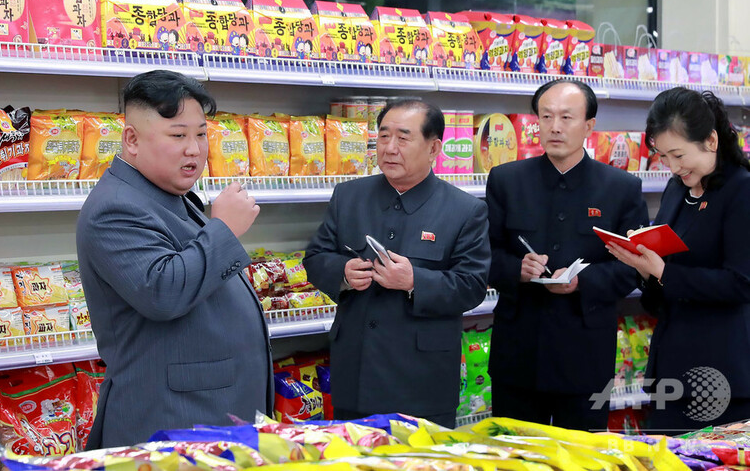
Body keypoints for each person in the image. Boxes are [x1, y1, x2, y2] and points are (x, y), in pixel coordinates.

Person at [76, 70, 272, 448]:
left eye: (201, 134)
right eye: (178, 136)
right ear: (132, 139)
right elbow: (163, 292)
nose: (194, 149)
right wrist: (224, 229)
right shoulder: (114, 208)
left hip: (210, 413)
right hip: (173, 420)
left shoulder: (168, 194)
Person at [303, 99, 491, 428]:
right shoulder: (348, 196)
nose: (390, 148)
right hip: (355, 374)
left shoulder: (465, 210)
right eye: (383, 136)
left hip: (422, 381)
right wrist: (343, 273)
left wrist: (414, 281)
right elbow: (316, 257)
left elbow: (472, 286)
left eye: (403, 138)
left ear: (433, 149)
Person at [486, 79, 649, 431]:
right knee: (514, 452)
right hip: (518, 353)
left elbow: (634, 269)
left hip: (585, 355)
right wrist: (517, 269)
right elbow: (484, 255)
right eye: (546, 117)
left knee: (581, 451)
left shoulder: (621, 188)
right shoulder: (506, 180)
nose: (554, 127)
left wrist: (582, 281)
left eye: (566, 117)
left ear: (589, 126)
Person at [606, 87, 750, 432]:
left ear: (711, 140)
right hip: (671, 364)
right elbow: (665, 280)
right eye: (663, 156)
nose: (672, 167)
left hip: (723, 368)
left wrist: (663, 272)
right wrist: (644, 266)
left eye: (678, 155)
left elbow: (741, 283)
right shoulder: (677, 189)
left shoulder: (741, 191)